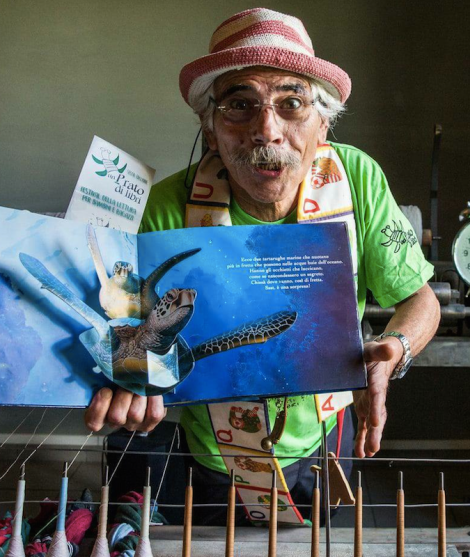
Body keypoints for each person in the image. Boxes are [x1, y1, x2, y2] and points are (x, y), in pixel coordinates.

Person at [85, 7, 440, 521]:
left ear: (322, 125)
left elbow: (419, 297)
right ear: (210, 130)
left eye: (291, 103)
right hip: (210, 450)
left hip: (327, 438)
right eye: (239, 105)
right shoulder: (163, 210)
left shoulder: (358, 179)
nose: (266, 130)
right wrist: (126, 377)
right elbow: (120, 331)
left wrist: (395, 351)